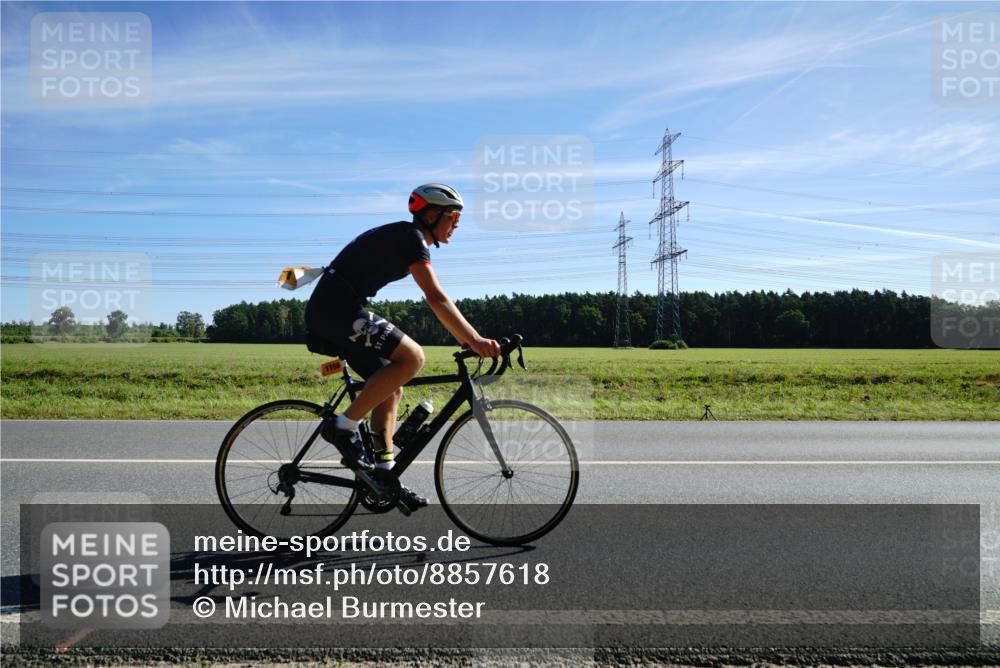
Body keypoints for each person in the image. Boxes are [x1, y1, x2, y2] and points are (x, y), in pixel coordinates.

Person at [304, 183, 501, 511]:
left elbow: (436, 302)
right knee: (412, 357)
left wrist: (467, 339)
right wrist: (474, 340)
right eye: (453, 217)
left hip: (338, 308)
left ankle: (384, 477)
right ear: (432, 215)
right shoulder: (411, 238)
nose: (457, 224)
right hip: (336, 310)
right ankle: (342, 427)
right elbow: (435, 297)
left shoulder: (407, 236)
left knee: (390, 387)